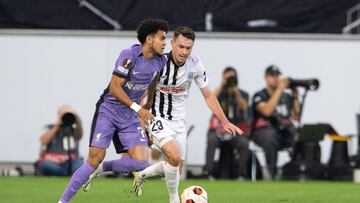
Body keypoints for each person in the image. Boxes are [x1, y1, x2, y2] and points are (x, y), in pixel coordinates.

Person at [58, 18, 168, 203]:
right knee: (94, 159)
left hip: (130, 115)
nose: (165, 43)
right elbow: (115, 88)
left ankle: (102, 168)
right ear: (149, 39)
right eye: (162, 38)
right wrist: (138, 108)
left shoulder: (161, 61)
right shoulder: (129, 55)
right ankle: (63, 201)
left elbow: (154, 80)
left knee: (141, 164)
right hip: (109, 110)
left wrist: (148, 104)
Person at [133, 27, 243, 203]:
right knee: (174, 157)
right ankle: (174, 200)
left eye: (188, 48)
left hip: (179, 123)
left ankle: (142, 175)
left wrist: (225, 121)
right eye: (181, 47)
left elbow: (208, 95)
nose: (184, 52)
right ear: (172, 43)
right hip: (157, 118)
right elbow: (144, 95)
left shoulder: (195, 64)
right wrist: (141, 124)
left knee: (176, 166)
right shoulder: (158, 63)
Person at [251, 65, 300, 178]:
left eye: (277, 75)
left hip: (283, 131)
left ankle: (294, 172)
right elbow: (267, 111)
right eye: (272, 76)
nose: (276, 78)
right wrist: (279, 90)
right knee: (270, 137)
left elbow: (296, 116)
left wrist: (295, 97)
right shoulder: (259, 95)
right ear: (266, 77)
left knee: (299, 135)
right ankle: (271, 173)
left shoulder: (286, 96)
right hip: (263, 132)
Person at [204, 67, 250, 180]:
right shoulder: (220, 93)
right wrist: (222, 83)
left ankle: (241, 175)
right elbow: (210, 98)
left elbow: (245, 108)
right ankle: (209, 173)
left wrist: (236, 92)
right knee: (212, 140)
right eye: (227, 77)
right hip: (218, 129)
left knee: (244, 144)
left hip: (235, 129)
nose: (230, 79)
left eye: (232, 77)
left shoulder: (242, 93)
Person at [36, 105, 83, 176]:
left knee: (79, 162)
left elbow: (80, 132)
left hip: (71, 162)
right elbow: (43, 141)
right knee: (45, 164)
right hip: (54, 163)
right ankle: (67, 173)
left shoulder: (74, 130)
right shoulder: (50, 128)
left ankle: (66, 173)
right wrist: (57, 125)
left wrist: (75, 117)